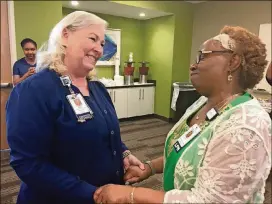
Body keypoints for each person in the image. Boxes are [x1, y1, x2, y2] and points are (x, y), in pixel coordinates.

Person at [93, 26, 271, 204]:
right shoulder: (203, 102)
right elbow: (187, 150)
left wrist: (130, 195)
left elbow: (209, 201)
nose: (193, 64)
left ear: (233, 62)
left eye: (202, 55)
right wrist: (150, 168)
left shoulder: (245, 126)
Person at [6, 11, 144, 204]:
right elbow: (28, 163)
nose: (99, 49)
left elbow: (106, 133)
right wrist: (93, 194)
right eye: (93, 39)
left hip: (107, 193)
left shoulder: (98, 89)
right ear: (65, 35)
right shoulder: (33, 90)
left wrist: (124, 153)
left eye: (102, 44)